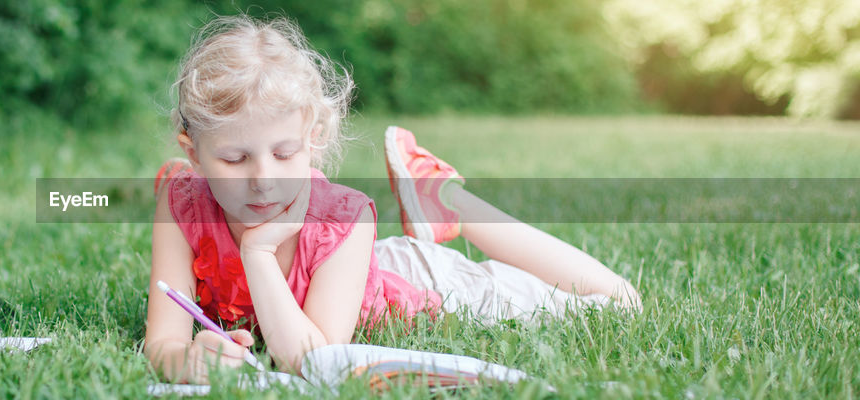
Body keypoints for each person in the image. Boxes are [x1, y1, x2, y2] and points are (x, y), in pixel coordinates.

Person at [143, 15, 641, 384]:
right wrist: (186, 360)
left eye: (284, 152)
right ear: (196, 154)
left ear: (312, 141)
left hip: (415, 280)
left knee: (619, 305)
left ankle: (447, 202)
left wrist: (255, 252)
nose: (263, 180)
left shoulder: (346, 219)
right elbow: (162, 341)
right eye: (233, 159)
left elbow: (309, 360)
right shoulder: (181, 202)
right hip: (347, 272)